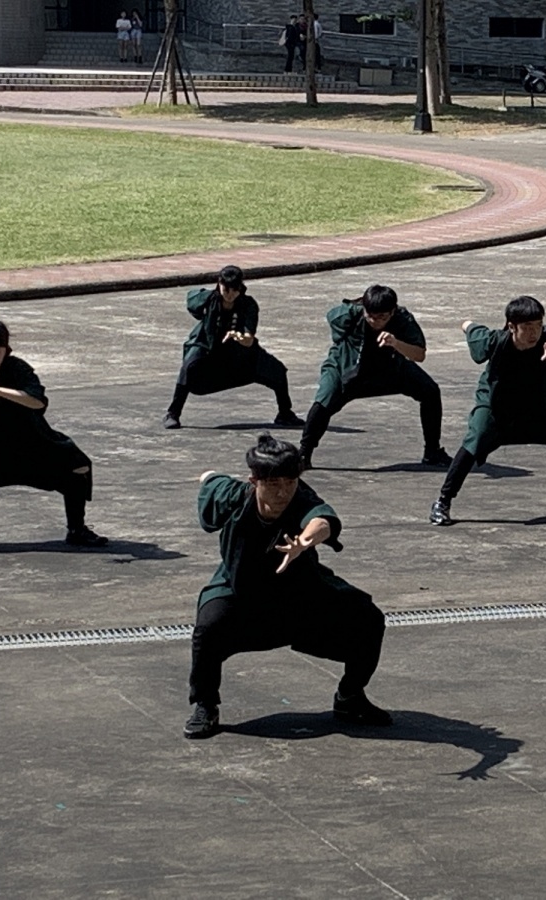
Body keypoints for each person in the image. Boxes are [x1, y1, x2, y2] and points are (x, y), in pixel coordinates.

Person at [184, 434, 391, 739]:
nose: (283, 492)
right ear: (255, 481)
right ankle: (205, 705)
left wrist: (303, 542)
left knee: (369, 619)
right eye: (274, 484)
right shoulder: (233, 495)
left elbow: (323, 520)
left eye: (290, 482)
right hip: (239, 590)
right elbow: (210, 481)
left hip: (300, 591)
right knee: (208, 627)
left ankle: (349, 697)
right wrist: (207, 475)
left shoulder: (301, 497)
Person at [428, 296, 546, 526]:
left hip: (542, 404)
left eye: (537, 325)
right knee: (475, 440)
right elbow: (472, 329)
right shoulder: (496, 341)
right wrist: (466, 324)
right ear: (511, 326)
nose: (533, 332)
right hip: (496, 406)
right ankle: (443, 501)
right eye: (527, 327)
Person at [0, 319, 107, 547]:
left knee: (77, 467)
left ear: (6, 351)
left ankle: (77, 530)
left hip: (26, 442)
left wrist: (1, 391)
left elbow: (37, 401)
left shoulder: (17, 369)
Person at [299, 285, 450, 470]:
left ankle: (432, 451)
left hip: (389, 368)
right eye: (370, 316)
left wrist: (396, 343)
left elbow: (419, 355)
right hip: (347, 368)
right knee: (324, 401)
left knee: (430, 391)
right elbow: (333, 320)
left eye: (381, 318)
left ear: (392, 312)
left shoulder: (402, 318)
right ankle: (304, 453)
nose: (374, 322)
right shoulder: (348, 314)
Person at [163, 265, 303, 430]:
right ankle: (173, 413)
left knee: (278, 371)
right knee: (189, 366)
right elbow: (192, 303)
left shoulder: (248, 305)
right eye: (226, 289)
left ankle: (285, 413)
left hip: (237, 349)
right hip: (207, 343)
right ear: (219, 284)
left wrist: (237, 337)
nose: (229, 294)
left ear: (240, 288)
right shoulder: (209, 298)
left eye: (234, 290)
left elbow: (249, 340)